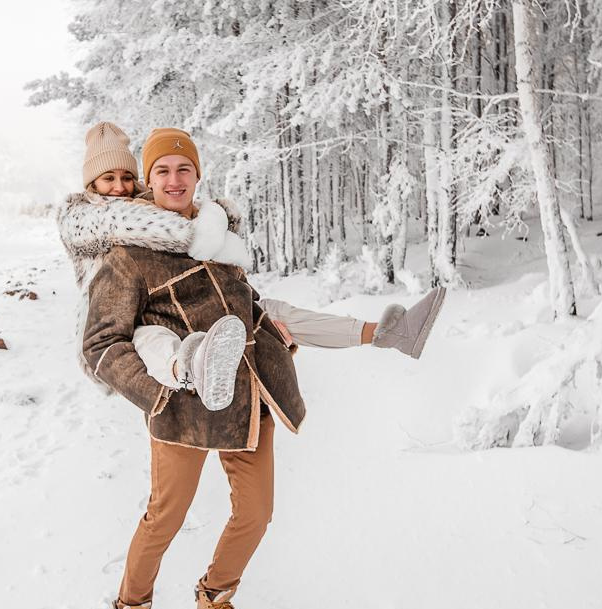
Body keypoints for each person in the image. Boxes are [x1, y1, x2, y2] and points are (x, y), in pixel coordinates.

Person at [77, 127, 443, 609]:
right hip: (181, 410)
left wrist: (276, 334)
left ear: (197, 176)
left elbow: (246, 309)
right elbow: (100, 345)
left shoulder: (216, 242)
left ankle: (214, 597)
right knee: (165, 517)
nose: (174, 180)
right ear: (146, 184)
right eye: (162, 172)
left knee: (256, 513)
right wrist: (155, 391)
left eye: (183, 169)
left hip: (246, 401)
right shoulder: (128, 257)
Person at [59, 122, 446, 409]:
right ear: (91, 184)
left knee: (277, 312)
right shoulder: (95, 220)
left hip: (183, 313)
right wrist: (205, 226)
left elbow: (182, 231)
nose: (119, 187)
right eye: (108, 179)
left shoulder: (151, 208)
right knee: (153, 339)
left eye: (127, 178)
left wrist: (211, 226)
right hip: (132, 322)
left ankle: (385, 332)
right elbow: (143, 226)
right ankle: (187, 366)